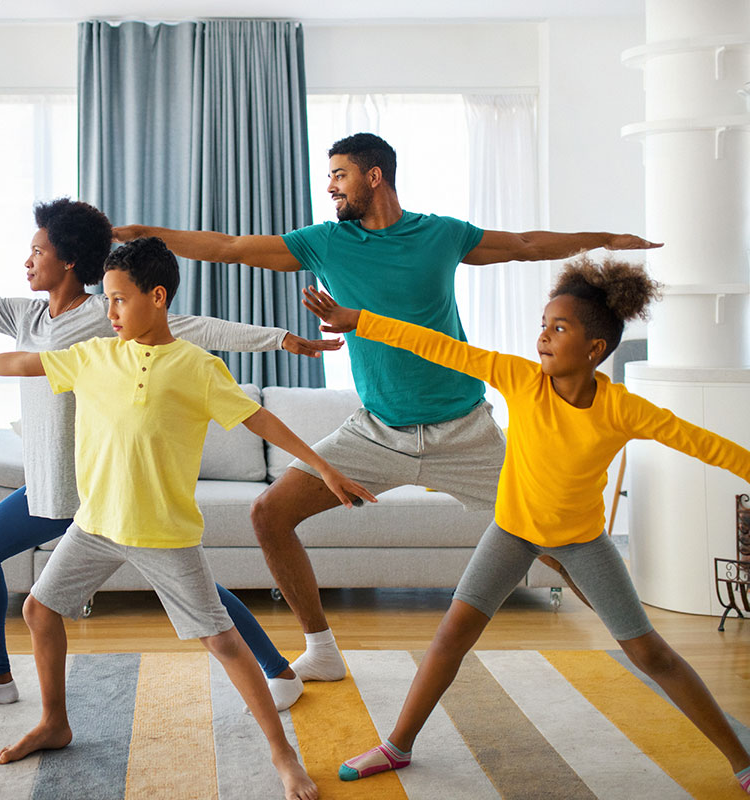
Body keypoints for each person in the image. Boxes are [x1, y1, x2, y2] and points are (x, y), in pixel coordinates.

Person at [113, 132, 663, 684]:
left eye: (339, 174)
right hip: (376, 432)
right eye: (329, 176)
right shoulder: (324, 242)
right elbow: (231, 247)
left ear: (374, 176)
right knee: (269, 513)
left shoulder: (439, 235)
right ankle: (321, 649)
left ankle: (645, 652)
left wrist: (605, 239)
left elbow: (522, 243)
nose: (329, 185)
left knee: (558, 544)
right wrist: (147, 235)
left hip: (466, 433)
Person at [0, 237, 378, 800]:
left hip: (162, 534)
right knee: (38, 609)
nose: (110, 313)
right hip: (96, 524)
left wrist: (322, 468)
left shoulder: (197, 367)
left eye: (120, 300)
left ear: (157, 296)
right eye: (106, 300)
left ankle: (283, 754)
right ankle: (55, 721)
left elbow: (260, 423)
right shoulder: (96, 356)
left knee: (223, 643)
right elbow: (21, 360)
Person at [0, 198, 340, 711]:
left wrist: (279, 339)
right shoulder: (24, 316)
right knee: (183, 582)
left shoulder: (105, 315)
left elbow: (194, 327)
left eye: (37, 251)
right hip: (47, 482)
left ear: (68, 260)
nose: (27, 261)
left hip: (84, 488)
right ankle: (274, 669)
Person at [299, 256, 750, 794]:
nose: (543, 337)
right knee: (451, 635)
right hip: (511, 531)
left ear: (595, 349)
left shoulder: (623, 409)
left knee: (649, 652)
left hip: (581, 543)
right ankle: (397, 745)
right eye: (542, 324)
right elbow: (442, 347)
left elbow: (702, 442)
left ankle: (742, 763)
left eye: (559, 328)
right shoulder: (521, 380)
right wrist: (363, 321)